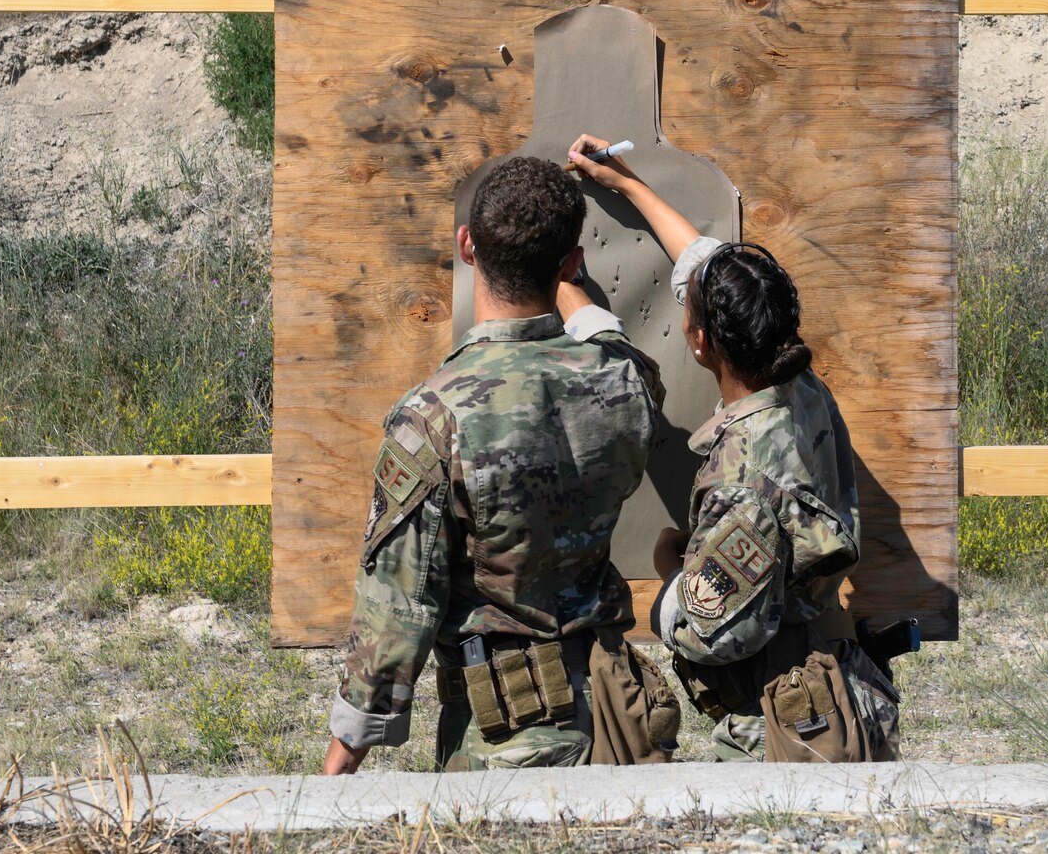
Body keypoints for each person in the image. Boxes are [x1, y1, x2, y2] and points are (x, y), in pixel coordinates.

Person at [324, 155, 681, 773]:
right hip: (621, 722)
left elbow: (396, 615)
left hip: (504, 740)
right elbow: (617, 346)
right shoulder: (624, 382)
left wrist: (338, 767)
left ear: (467, 246)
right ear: (572, 263)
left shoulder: (432, 416)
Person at [564, 133, 901, 762]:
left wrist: (673, 576)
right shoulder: (800, 385)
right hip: (838, 684)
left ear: (697, 343)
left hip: (779, 730)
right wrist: (627, 183)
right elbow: (710, 265)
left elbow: (716, 634)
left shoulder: (741, 480)